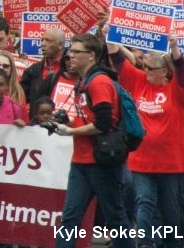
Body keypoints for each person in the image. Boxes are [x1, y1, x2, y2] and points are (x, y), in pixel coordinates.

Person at [108, 33, 184, 248]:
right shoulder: (138, 82)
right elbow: (118, 61)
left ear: (164, 70)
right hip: (142, 160)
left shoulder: (177, 90)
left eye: (150, 68)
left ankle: (173, 244)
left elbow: (182, 71)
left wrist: (174, 47)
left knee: (170, 208)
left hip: (170, 162)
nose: (145, 72)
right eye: (145, 67)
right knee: (144, 202)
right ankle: (145, 243)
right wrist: (109, 35)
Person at [52, 33, 133, 248]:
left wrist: (70, 132)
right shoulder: (84, 81)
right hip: (81, 162)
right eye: (71, 51)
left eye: (76, 52)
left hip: (102, 162)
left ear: (91, 55)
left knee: (115, 219)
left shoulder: (99, 82)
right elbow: (87, 119)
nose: (70, 56)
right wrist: (65, 124)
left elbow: (103, 123)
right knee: (70, 218)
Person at [21, 28, 65, 115]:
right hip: (36, 123)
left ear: (60, 45)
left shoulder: (71, 70)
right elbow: (22, 97)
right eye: (42, 40)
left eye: (48, 41)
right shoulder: (32, 70)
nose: (43, 44)